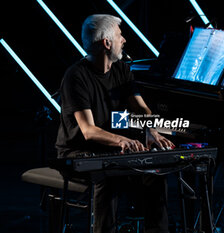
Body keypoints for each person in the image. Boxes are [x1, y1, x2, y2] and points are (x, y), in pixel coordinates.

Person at [55, 14, 174, 233]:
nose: (124, 40)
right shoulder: (76, 76)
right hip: (78, 151)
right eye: (120, 36)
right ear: (106, 43)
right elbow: (89, 131)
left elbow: (141, 109)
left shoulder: (121, 70)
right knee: (108, 178)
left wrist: (151, 130)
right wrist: (124, 140)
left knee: (155, 175)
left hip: (111, 148)